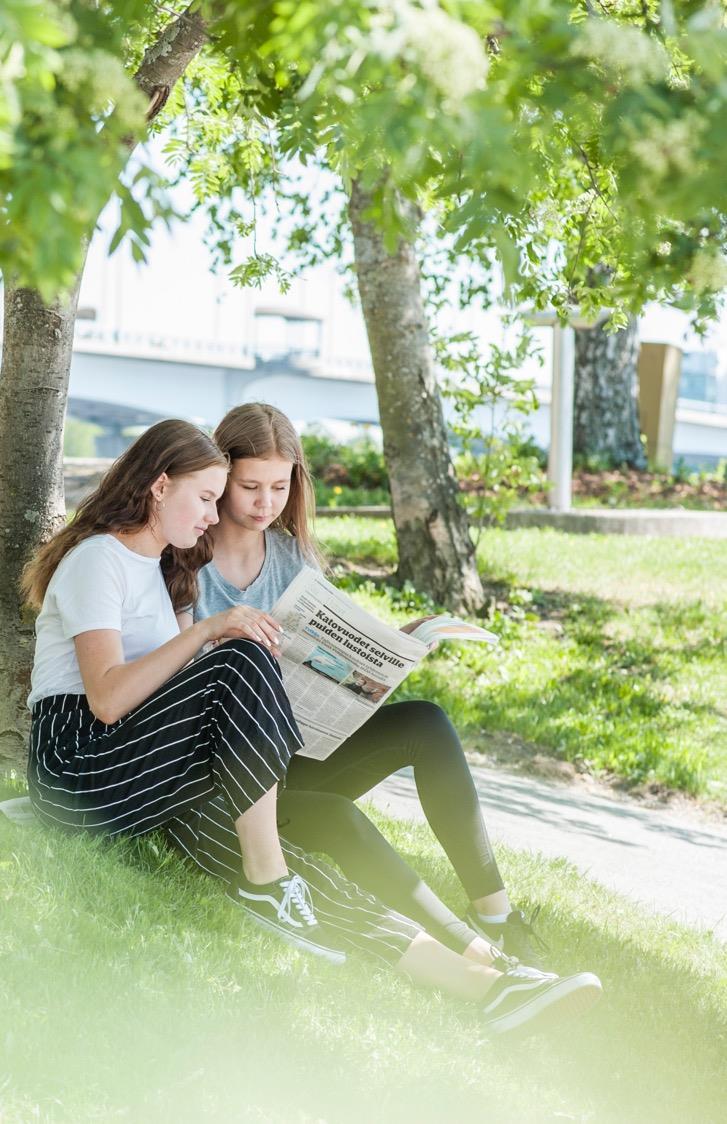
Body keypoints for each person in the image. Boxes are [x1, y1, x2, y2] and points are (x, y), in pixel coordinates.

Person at [22, 416, 602, 1036]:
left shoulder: (159, 567)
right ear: (160, 487)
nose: (214, 516)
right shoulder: (97, 561)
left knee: (314, 876)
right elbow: (107, 701)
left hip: (149, 765)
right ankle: (268, 879)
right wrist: (209, 631)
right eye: (208, 498)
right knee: (240, 652)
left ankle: (490, 988)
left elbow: (158, 695)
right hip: (76, 765)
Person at [184, 403, 546, 965]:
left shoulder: (291, 555)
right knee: (335, 814)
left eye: (280, 487)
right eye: (249, 485)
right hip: (230, 777)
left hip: (295, 751)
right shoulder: (187, 558)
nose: (264, 503)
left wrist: (380, 655)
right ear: (220, 476)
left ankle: (496, 915)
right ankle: (481, 959)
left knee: (426, 721)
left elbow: (319, 648)